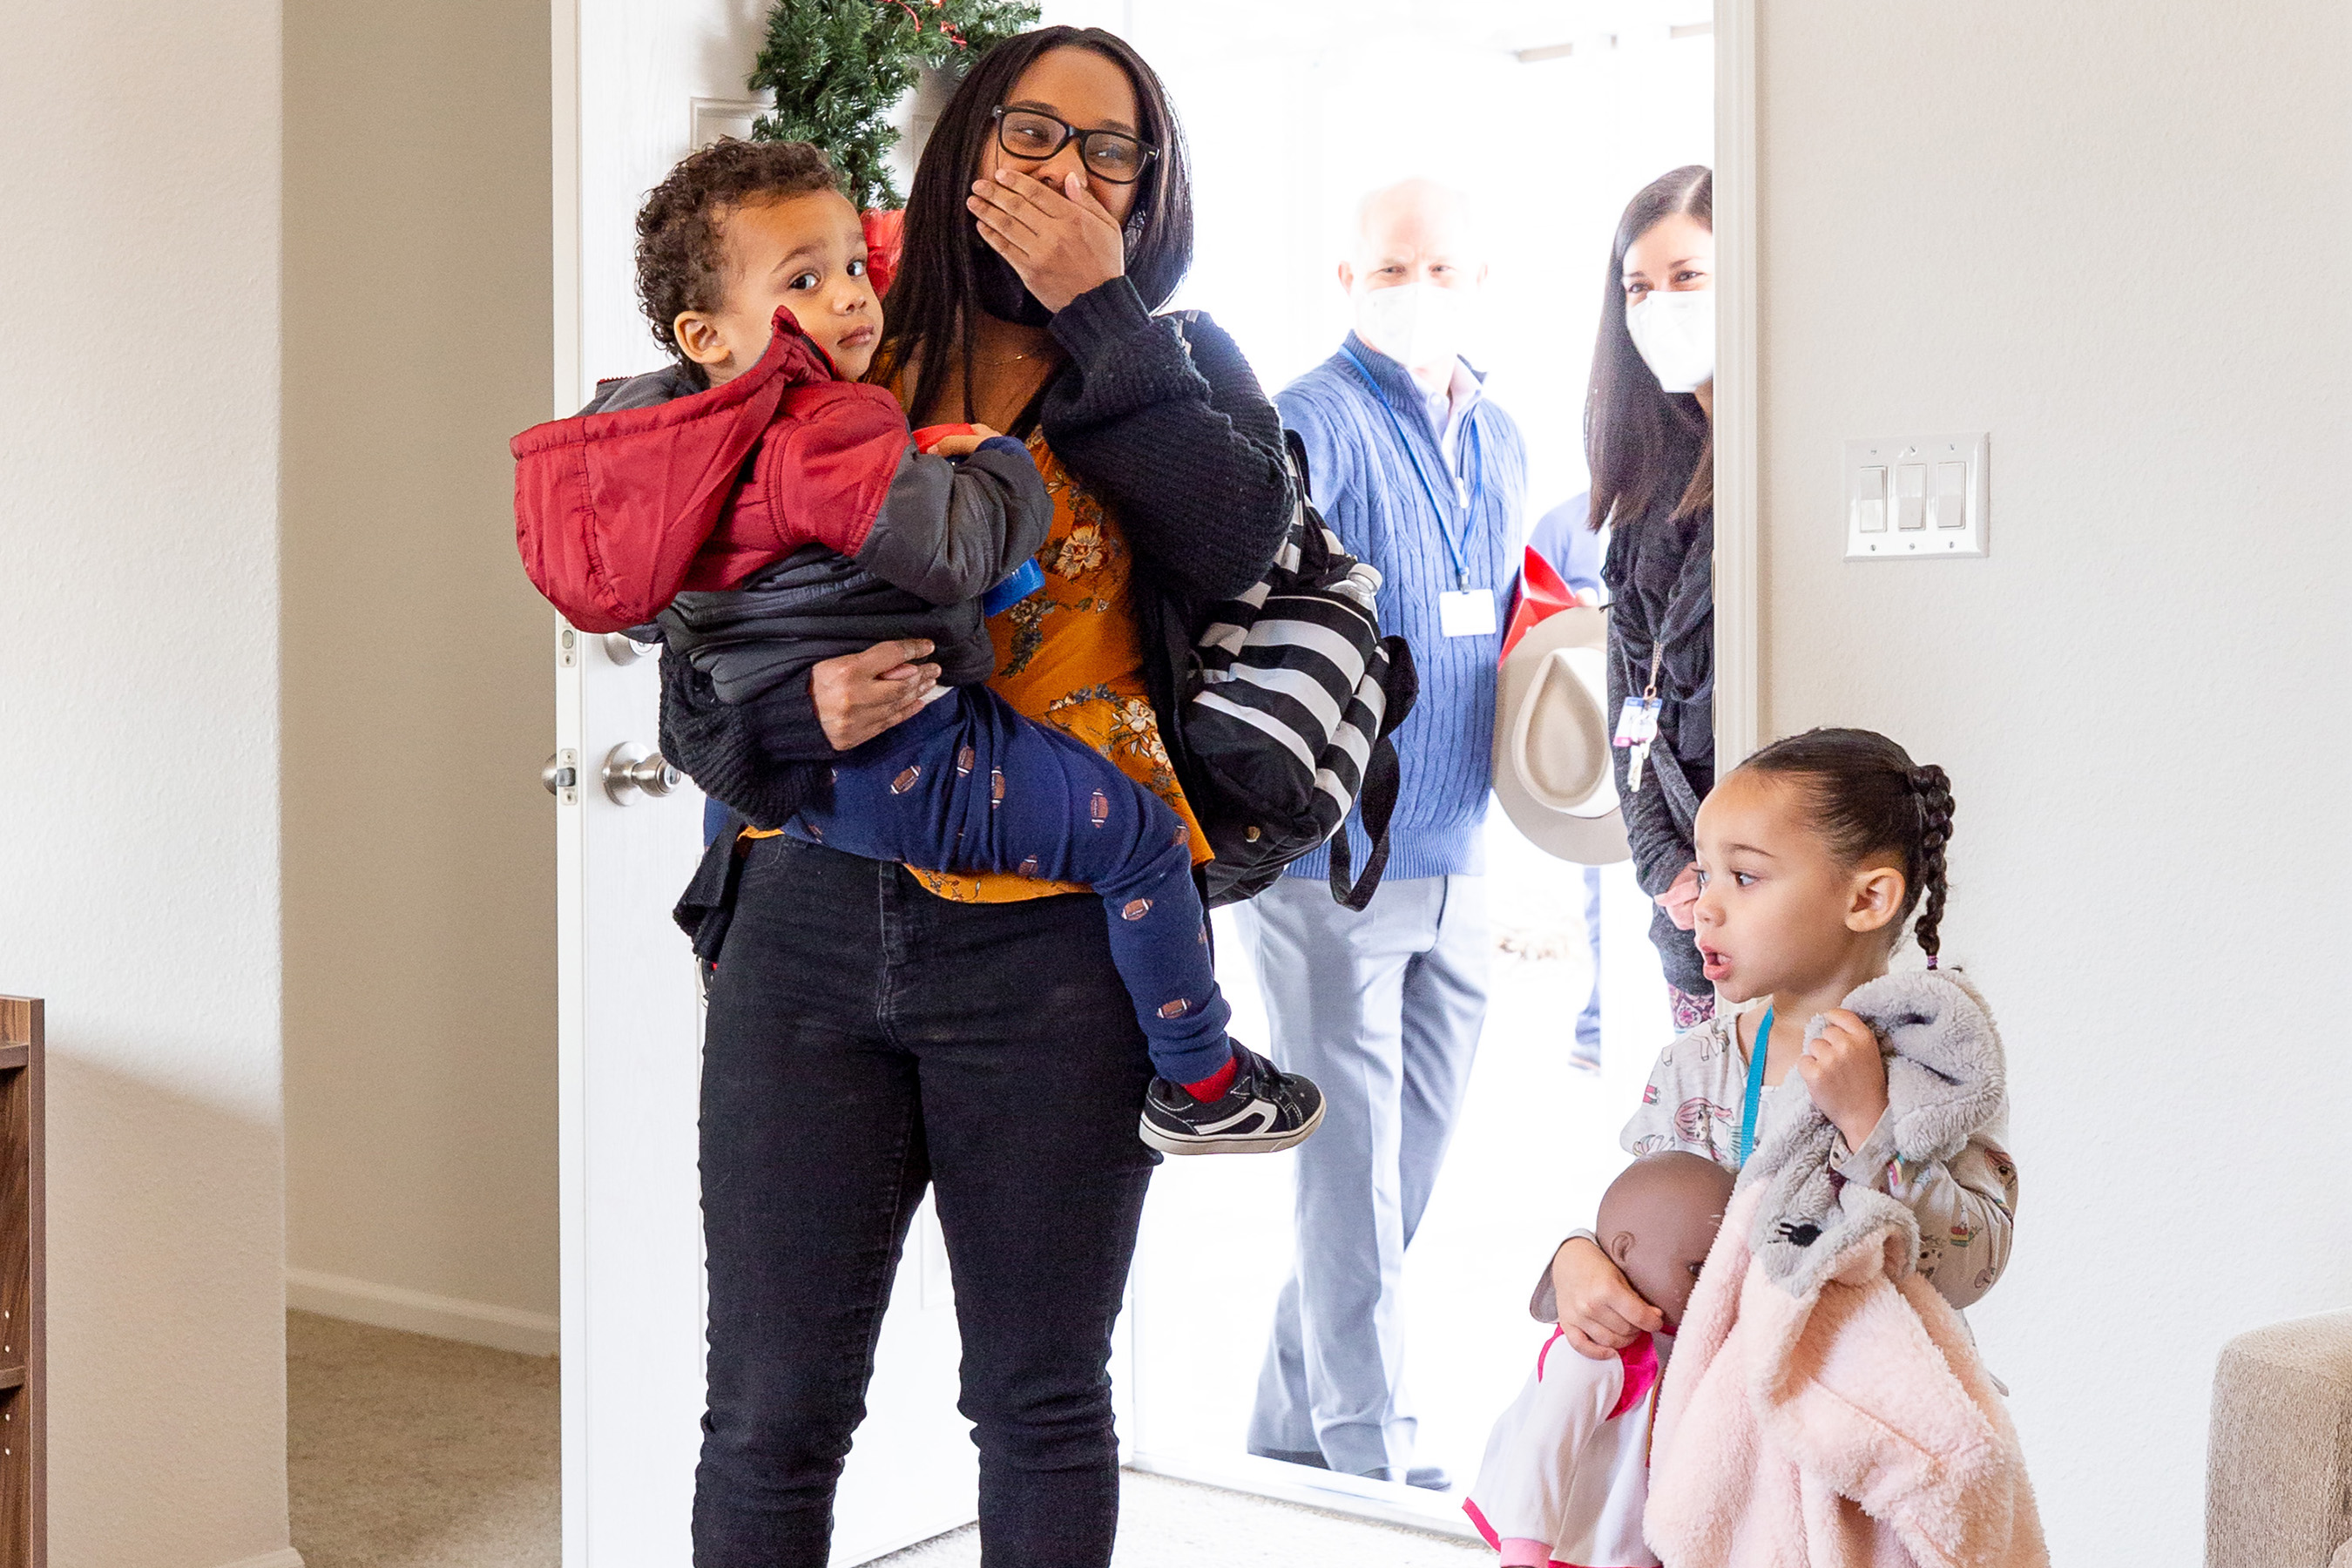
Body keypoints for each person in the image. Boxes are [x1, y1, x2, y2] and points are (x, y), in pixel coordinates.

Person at [646, 30, 1295, 1566]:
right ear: (966, 146)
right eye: (1030, 130)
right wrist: (789, 714)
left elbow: (1236, 543)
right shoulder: (833, 343)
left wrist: (1099, 313)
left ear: (1149, 190)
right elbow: (689, 677)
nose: (1065, 169)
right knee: (769, 1413)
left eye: (1112, 149)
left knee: (1040, 1401)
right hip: (802, 933)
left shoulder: (1177, 363)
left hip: (1060, 951)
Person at [512, 139, 1321, 1156]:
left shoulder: (659, 435)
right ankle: (1203, 1077)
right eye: (806, 280)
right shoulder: (831, 416)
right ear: (705, 332)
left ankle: (720, 951)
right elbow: (955, 551)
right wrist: (989, 463)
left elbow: (669, 623)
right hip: (919, 765)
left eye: (853, 264)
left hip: (828, 819)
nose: (851, 294)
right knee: (1141, 841)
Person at [1236, 177, 1527, 1489]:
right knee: (1348, 1174)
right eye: (1394, 268)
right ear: (1348, 281)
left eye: (1444, 269)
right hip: (1332, 862)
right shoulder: (1309, 420)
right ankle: (1369, 1460)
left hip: (1460, 847)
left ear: (1481, 282)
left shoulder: (1504, 435)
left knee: (1400, 1176)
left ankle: (1289, 1427)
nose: (1421, 291)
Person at [1539, 728, 2020, 1369]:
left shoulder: (1937, 1063)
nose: (1705, 906)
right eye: (1705, 874)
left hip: (1867, 1404)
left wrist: (1870, 1124)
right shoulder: (1694, 1064)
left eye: (1743, 876)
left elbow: (1973, 1267)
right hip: (1708, 1404)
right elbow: (1640, 1224)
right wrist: (1578, 1257)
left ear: (1867, 899)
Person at [1585, 165, 1720, 1031]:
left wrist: (1728, 874)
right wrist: (1662, 863)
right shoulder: (1649, 475)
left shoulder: (1778, 451)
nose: (1660, 306)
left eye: (1687, 277)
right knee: (1702, 1106)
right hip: (1682, 911)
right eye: (1639, 287)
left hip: (1770, 896)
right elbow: (1629, 692)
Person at [1463, 1152, 1733, 1568]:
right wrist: (1525, 1550)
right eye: (1697, 1270)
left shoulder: (1686, 1338)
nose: (1716, 1286)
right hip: (1575, 1533)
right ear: (1624, 1250)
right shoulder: (1597, 1351)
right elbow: (1543, 1448)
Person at [1527, 492, 1605, 1070]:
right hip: (1592, 745)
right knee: (1605, 896)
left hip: (1679, 736)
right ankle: (1599, 1026)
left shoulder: (1694, 501)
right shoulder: (1562, 526)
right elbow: (1528, 639)